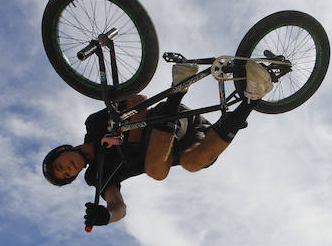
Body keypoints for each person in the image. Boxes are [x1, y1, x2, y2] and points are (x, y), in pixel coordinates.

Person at [42, 60, 273, 228]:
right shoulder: (96, 175)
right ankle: (252, 98)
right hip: (192, 137)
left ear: (62, 151)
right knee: (192, 163)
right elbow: (118, 207)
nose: (67, 169)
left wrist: (128, 136)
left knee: (155, 169)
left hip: (168, 116)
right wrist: (107, 217)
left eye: (60, 165)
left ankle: (179, 87)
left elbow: (139, 101)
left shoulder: (94, 124)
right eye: (66, 175)